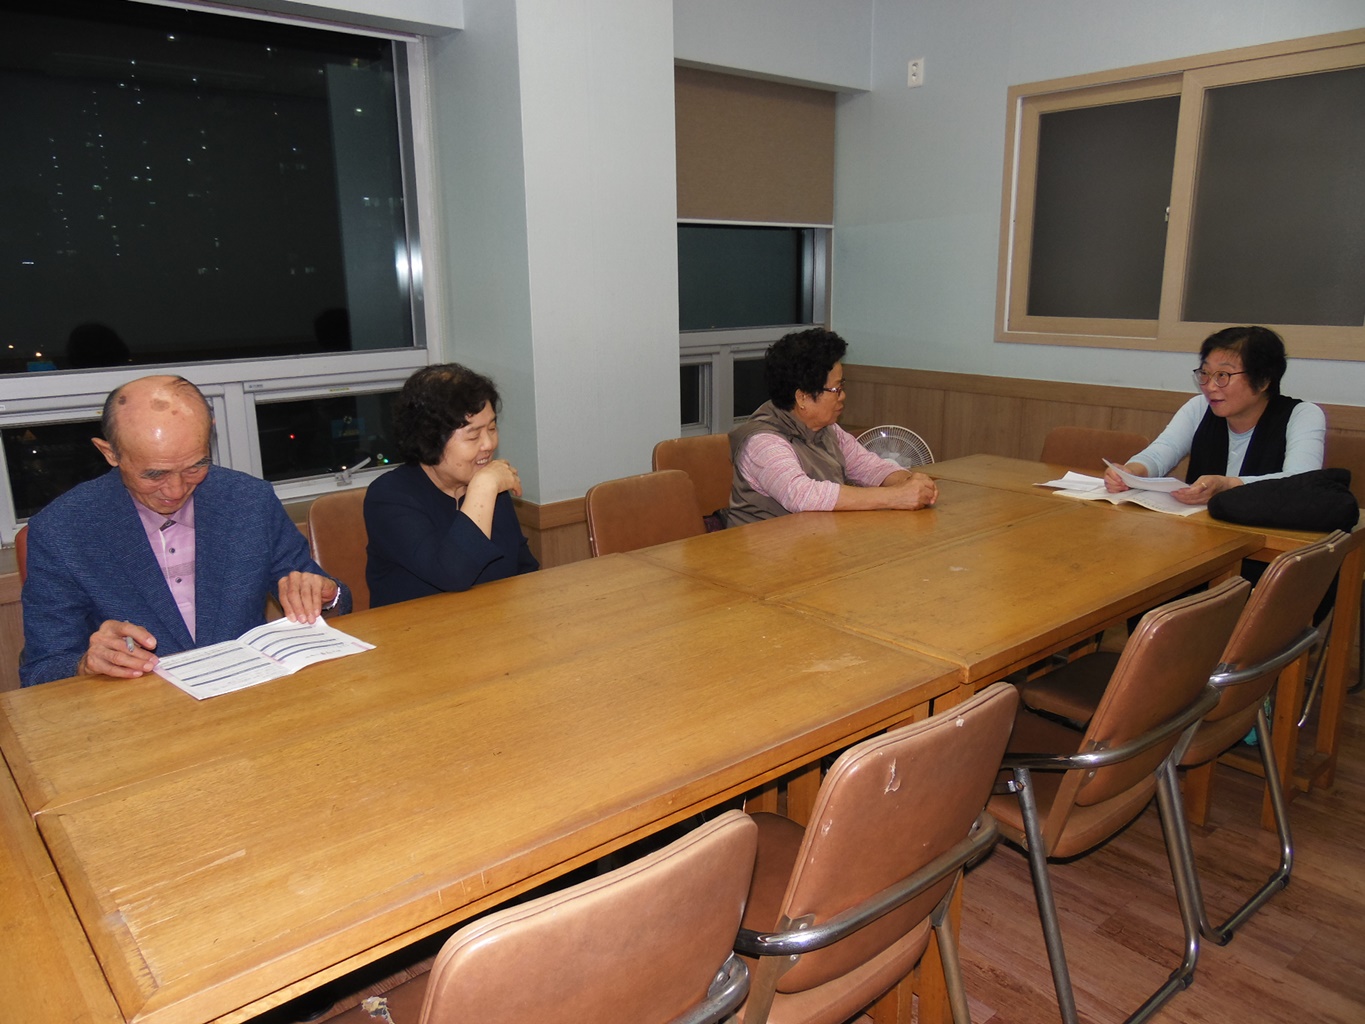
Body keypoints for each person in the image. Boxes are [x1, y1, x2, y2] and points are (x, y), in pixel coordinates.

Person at [20, 375, 349, 687]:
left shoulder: (249, 501)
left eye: (195, 466)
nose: (175, 490)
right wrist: (86, 664)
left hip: (251, 692)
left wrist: (325, 594)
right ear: (110, 453)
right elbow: (42, 669)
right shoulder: (63, 530)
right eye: (154, 475)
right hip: (139, 708)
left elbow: (327, 594)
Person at [364, 363, 538, 607]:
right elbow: (453, 573)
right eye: (473, 435)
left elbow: (525, 571)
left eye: (492, 428)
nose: (489, 444)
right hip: (418, 629)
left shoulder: (489, 487)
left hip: (492, 623)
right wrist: (484, 487)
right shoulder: (389, 497)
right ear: (430, 438)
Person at [728, 328, 938, 525]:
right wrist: (895, 496)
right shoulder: (763, 442)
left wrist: (909, 482)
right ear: (802, 397)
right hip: (763, 547)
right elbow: (802, 495)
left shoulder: (827, 429)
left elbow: (867, 466)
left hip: (814, 539)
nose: (843, 396)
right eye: (836, 389)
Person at [1103, 326, 1325, 505]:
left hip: (1266, 534)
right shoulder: (1200, 407)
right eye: (1205, 373)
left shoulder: (1302, 415)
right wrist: (1131, 472)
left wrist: (1228, 484)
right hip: (1203, 528)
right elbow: (1163, 451)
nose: (1209, 386)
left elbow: (1300, 480)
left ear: (1263, 380)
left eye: (1223, 375)